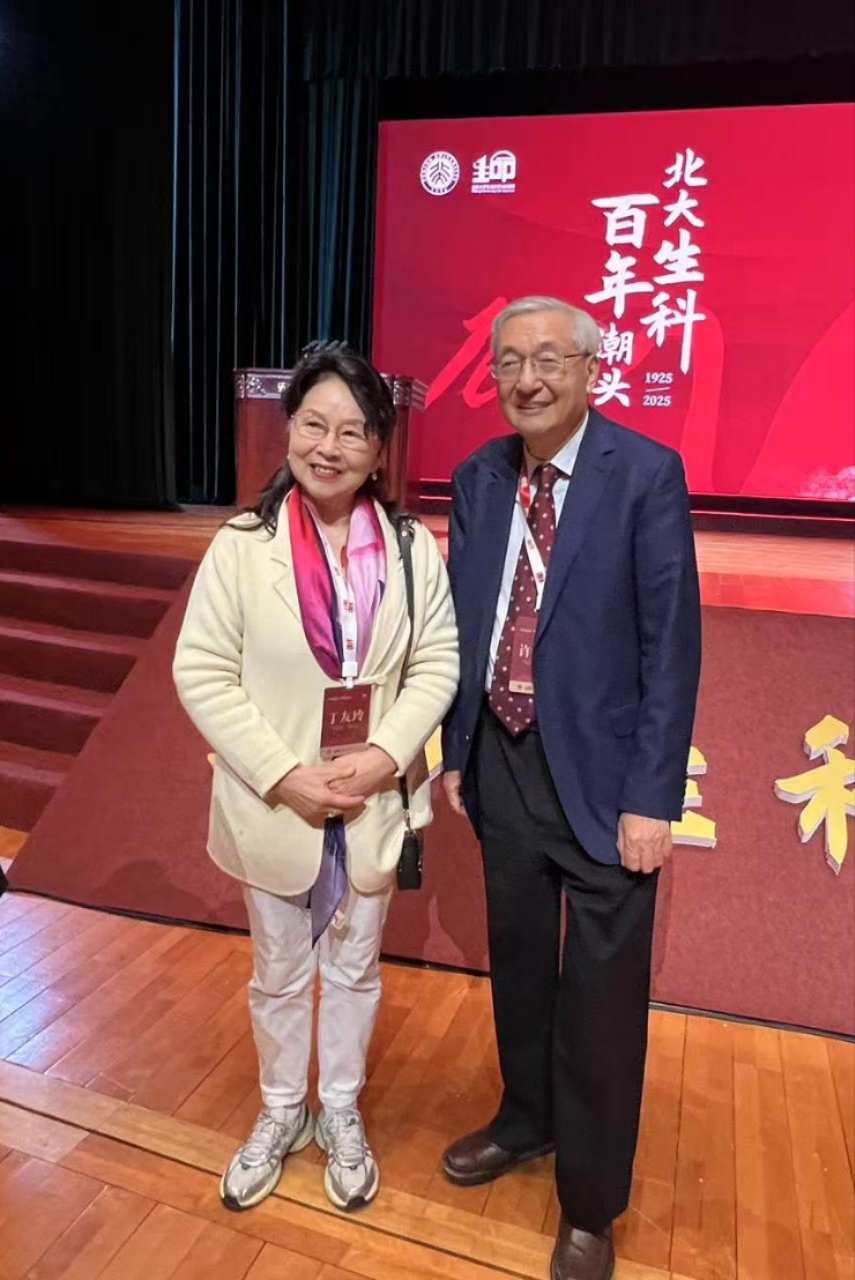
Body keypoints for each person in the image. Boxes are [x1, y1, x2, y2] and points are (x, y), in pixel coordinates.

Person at [441, 298, 701, 1280]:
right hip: (502, 764)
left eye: (550, 359)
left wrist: (653, 798)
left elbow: (671, 647)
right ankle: (526, 1120)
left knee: (599, 1001)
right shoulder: (477, 477)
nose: (528, 378)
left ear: (593, 369)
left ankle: (590, 1202)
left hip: (603, 780)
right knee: (517, 968)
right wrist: (456, 750)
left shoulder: (645, 472)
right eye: (510, 361)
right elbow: (464, 625)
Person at [173, 342, 458, 1214]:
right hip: (277, 805)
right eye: (313, 425)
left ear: (378, 448)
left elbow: (437, 663)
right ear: (288, 429)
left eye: (352, 431)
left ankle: (337, 1109)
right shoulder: (241, 546)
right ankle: (279, 1111)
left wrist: (384, 755)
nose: (329, 447)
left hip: (371, 803)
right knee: (278, 972)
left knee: (357, 969)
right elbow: (201, 672)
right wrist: (283, 775)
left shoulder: (410, 548)